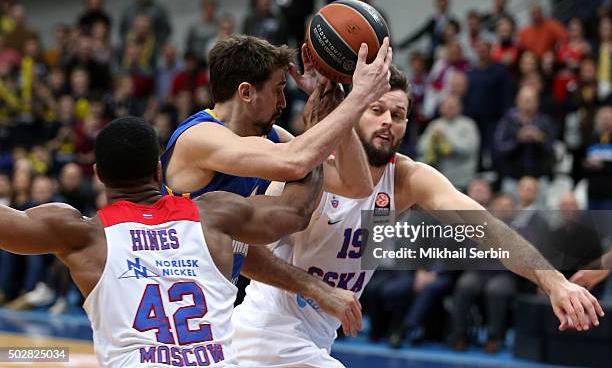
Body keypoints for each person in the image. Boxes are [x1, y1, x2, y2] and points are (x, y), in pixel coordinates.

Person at [232, 66, 605, 368]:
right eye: (376, 110)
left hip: (314, 340)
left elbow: (487, 229)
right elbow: (245, 254)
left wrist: (554, 282)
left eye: (397, 115)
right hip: (265, 334)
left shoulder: (408, 179)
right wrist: (319, 290)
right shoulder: (309, 171)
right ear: (354, 114)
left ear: (407, 126)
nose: (386, 122)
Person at [0, 116, 329, 367]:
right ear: (159, 171)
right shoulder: (215, 214)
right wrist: (310, 139)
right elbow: (295, 210)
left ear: (98, 175)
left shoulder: (83, 234)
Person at [161, 34, 391, 319]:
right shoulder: (199, 138)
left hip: (209, 313)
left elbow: (356, 185)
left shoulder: (269, 138)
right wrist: (359, 98)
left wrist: (333, 107)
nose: (284, 102)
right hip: (164, 308)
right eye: (278, 90)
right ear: (246, 93)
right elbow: (297, 162)